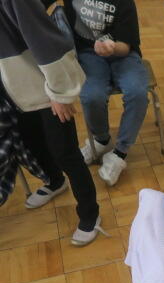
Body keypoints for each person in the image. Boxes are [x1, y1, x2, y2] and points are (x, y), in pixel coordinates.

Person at [0, 0, 102, 246]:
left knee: (65, 152)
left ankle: (90, 212)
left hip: (45, 87)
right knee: (30, 143)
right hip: (12, 88)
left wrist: (60, 92)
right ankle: (55, 181)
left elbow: (45, 39)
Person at [64, 0, 148, 186]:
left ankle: (120, 153)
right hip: (87, 53)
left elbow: (126, 46)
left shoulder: (125, 3)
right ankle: (102, 140)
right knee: (91, 96)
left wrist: (112, 47)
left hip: (123, 54)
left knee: (138, 93)